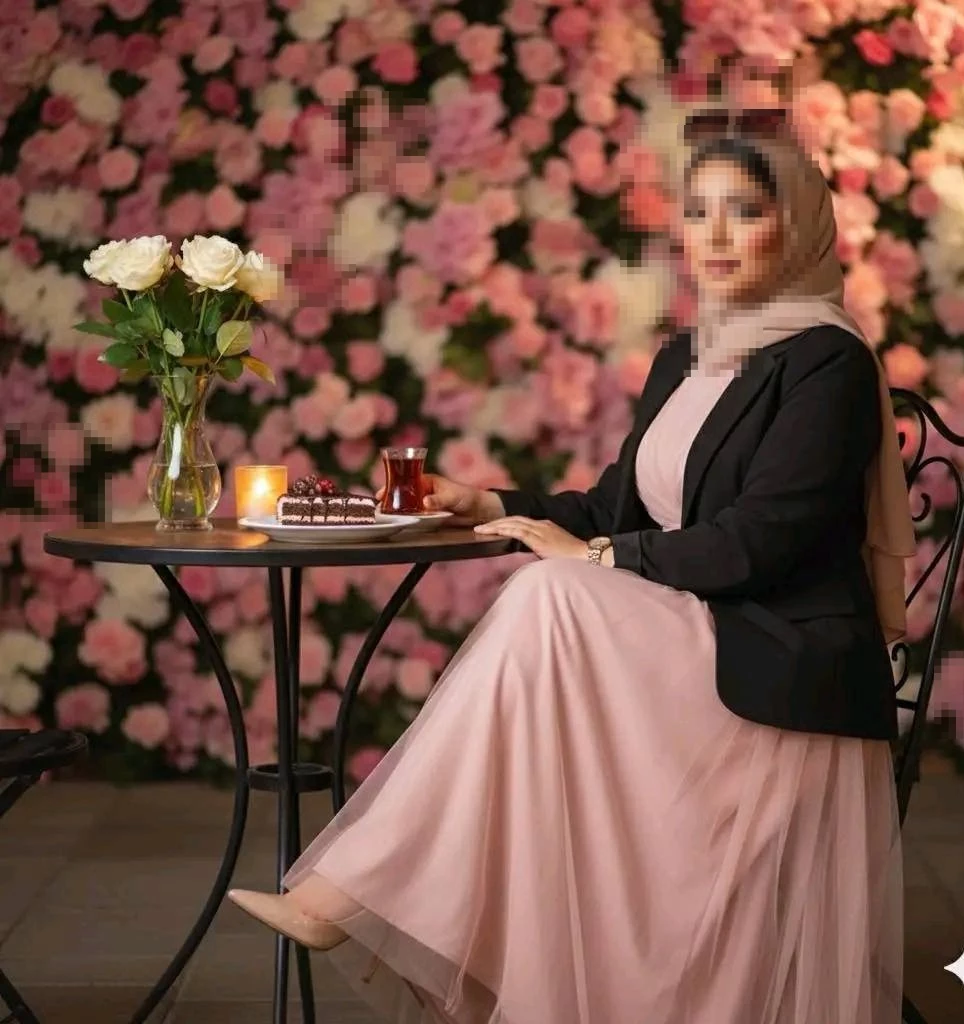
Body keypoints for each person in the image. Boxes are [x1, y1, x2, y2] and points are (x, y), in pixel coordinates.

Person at [228, 122, 917, 1024]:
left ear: (797, 229)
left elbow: (765, 542)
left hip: (778, 661)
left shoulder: (826, 359)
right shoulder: (691, 357)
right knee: (546, 597)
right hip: (692, 649)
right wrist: (491, 504)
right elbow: (620, 507)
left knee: (552, 593)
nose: (710, 236)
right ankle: (372, 898)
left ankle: (359, 892)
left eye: (743, 213)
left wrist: (596, 559)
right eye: (697, 212)